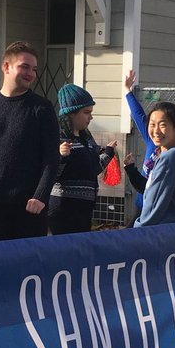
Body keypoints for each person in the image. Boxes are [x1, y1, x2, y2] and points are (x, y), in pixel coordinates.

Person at [0, 41, 59, 242]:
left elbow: (51, 158)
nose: (31, 74)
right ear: (6, 66)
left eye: (34, 69)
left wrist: (40, 196)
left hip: (30, 209)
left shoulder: (42, 108)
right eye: (24, 67)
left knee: (27, 271)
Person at [49, 83, 117, 235]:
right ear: (72, 113)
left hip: (85, 209)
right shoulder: (58, 137)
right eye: (86, 112)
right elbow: (50, 175)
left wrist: (109, 154)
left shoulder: (87, 137)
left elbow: (93, 169)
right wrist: (61, 157)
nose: (91, 117)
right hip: (63, 210)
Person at [135, 102, 175, 226]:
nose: (156, 131)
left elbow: (155, 204)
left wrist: (138, 230)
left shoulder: (171, 156)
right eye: (152, 124)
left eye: (162, 125)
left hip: (167, 234)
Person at [123, 70, 156, 224]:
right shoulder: (152, 140)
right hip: (141, 205)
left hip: (156, 210)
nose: (157, 130)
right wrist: (127, 90)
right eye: (154, 124)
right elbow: (139, 116)